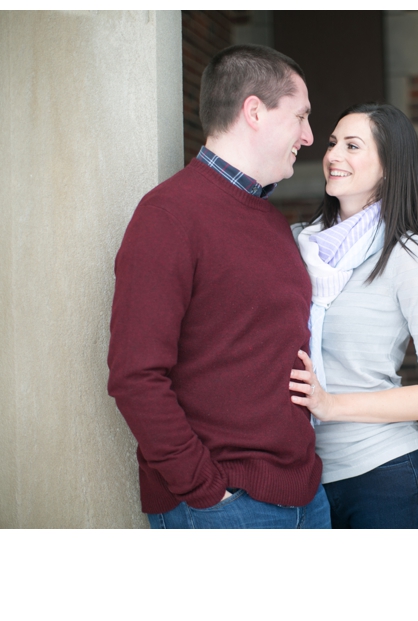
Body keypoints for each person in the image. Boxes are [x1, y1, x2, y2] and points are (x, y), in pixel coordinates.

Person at [107, 44, 330, 529]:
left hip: (306, 496)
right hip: (226, 508)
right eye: (301, 117)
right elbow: (135, 375)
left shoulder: (271, 222)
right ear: (254, 111)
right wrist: (207, 489)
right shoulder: (168, 216)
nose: (310, 137)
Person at [289, 103, 418, 528]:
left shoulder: (406, 256)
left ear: (389, 168)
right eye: (333, 143)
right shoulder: (298, 245)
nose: (333, 156)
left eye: (353, 146)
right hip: (307, 483)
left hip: (388, 481)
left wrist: (330, 405)